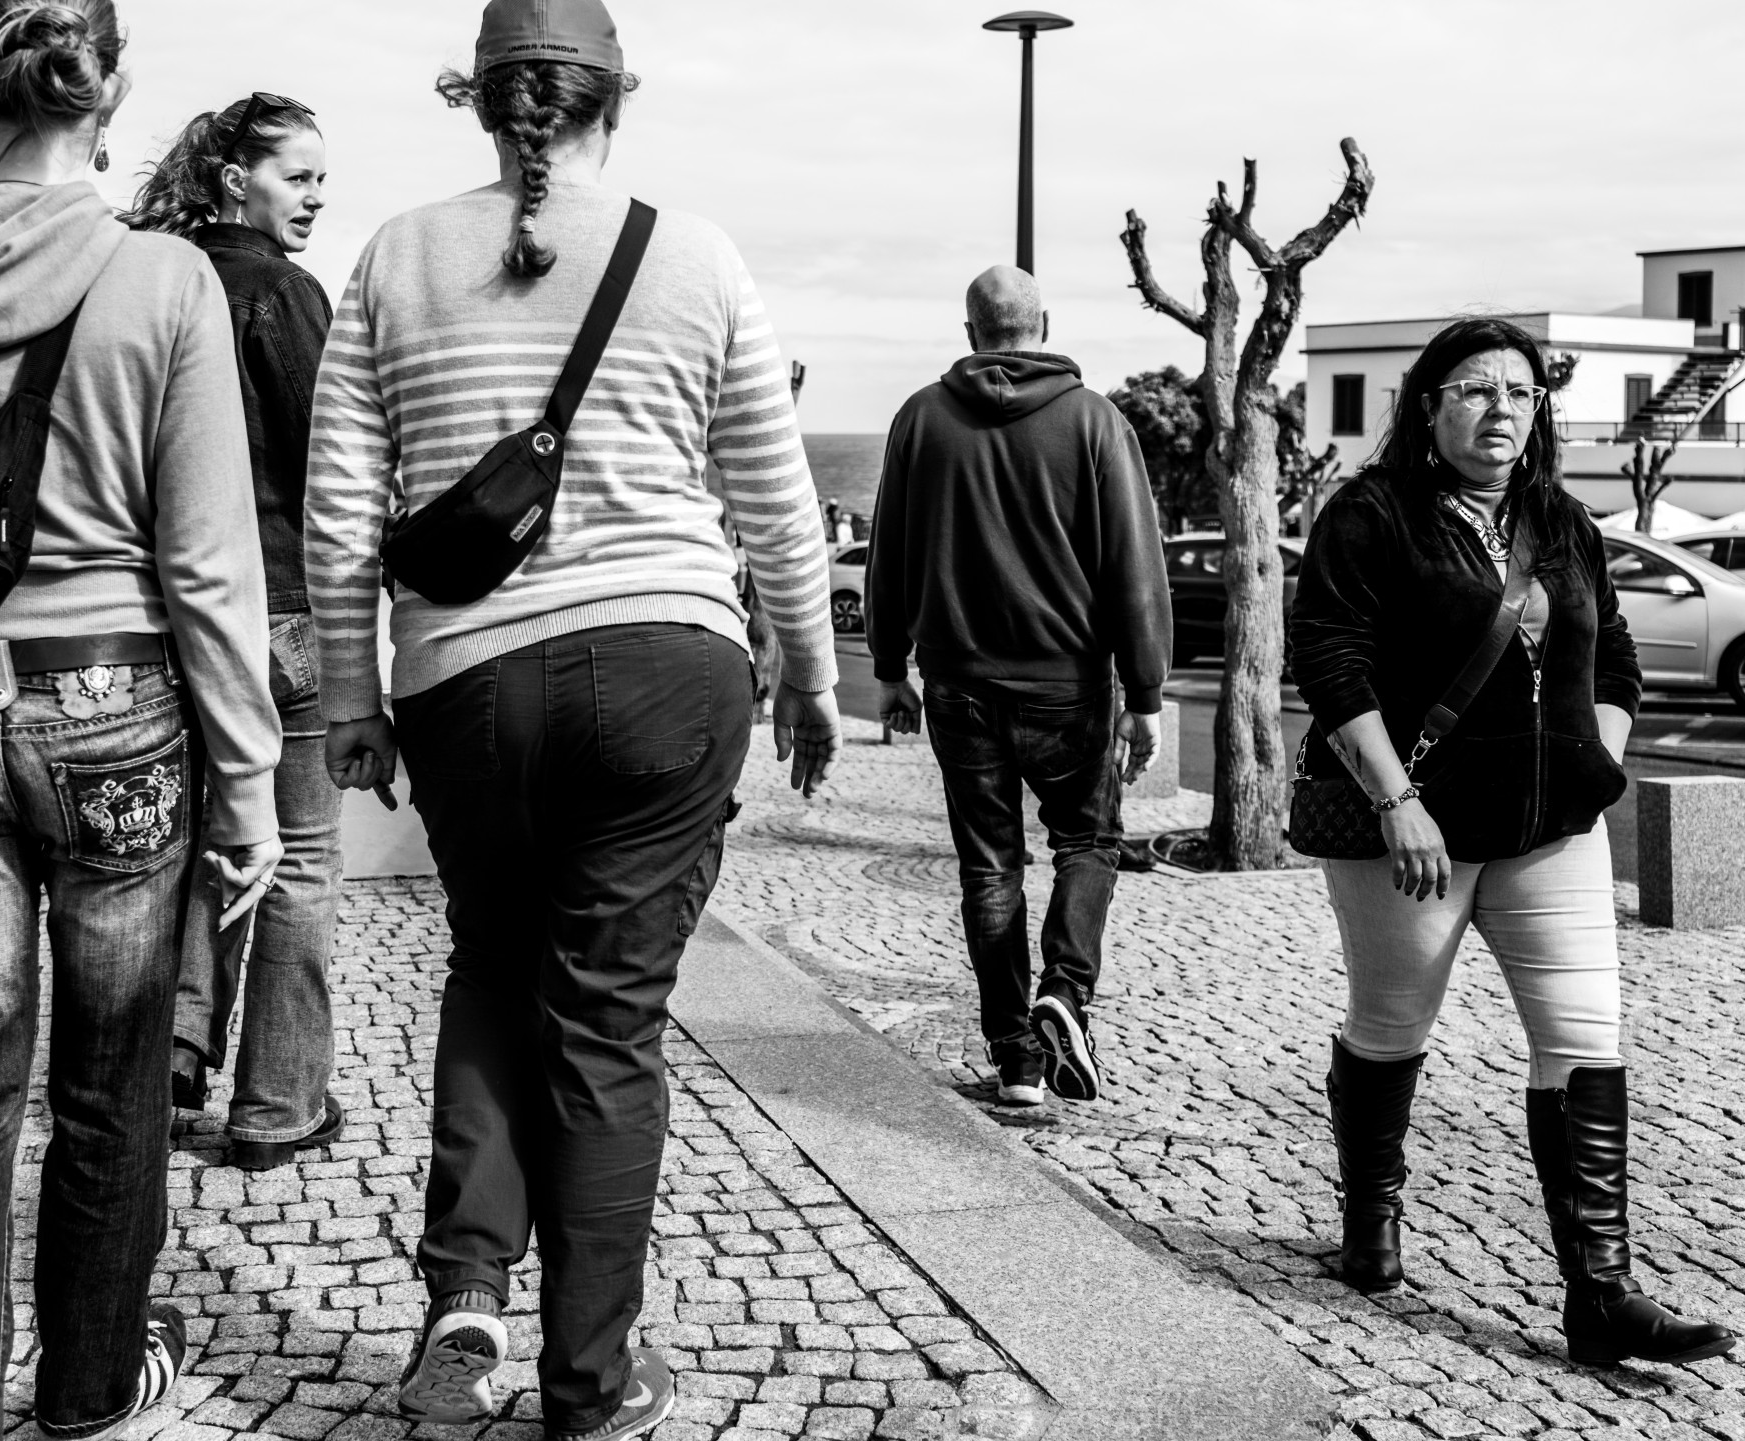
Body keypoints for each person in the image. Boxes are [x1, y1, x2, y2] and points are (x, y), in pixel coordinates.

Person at [301, 0, 840, 1435]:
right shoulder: (696, 253)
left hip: (466, 678)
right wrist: (810, 673)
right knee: (608, 1020)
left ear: (477, 100)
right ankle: (591, 1384)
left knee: (491, 964)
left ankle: (466, 1290)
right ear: (621, 97)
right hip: (669, 662)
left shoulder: (394, 255)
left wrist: (352, 694)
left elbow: (343, 502)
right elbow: (774, 493)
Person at [0, 2, 284, 1436]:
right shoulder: (162, 277)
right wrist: (249, 779)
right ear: (110, 89)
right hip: (113, 712)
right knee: (111, 1085)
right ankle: (88, 1387)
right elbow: (207, 562)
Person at [1290, 316, 1732, 1366]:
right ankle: (1370, 1222)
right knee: (1392, 1024)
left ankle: (1601, 1294)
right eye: (1478, 390)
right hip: (1417, 834)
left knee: (1584, 1038)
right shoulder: (1371, 513)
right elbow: (1332, 660)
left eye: (1522, 394)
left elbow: (1614, 656)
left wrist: (1598, 759)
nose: (1503, 410)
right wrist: (1396, 798)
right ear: (1429, 404)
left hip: (1550, 831)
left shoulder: (1560, 518)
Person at [867, 266, 1171, 1108]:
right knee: (1089, 842)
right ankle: (1064, 991)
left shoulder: (920, 419)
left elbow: (889, 551)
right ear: (1045, 324)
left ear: (971, 332)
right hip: (1069, 686)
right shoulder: (1096, 421)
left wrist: (888, 668)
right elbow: (1135, 567)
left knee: (990, 867)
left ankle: (1017, 1061)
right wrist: (1145, 693)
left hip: (958, 686)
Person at [126, 93, 345, 1170]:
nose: (316, 197)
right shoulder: (282, 293)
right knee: (299, 854)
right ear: (233, 179)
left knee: (196, 840)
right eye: (298, 176)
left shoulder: (151, 282)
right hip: (283, 610)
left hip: (164, 615)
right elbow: (330, 466)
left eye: (321, 180)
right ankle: (277, 1103)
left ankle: (170, 1055)